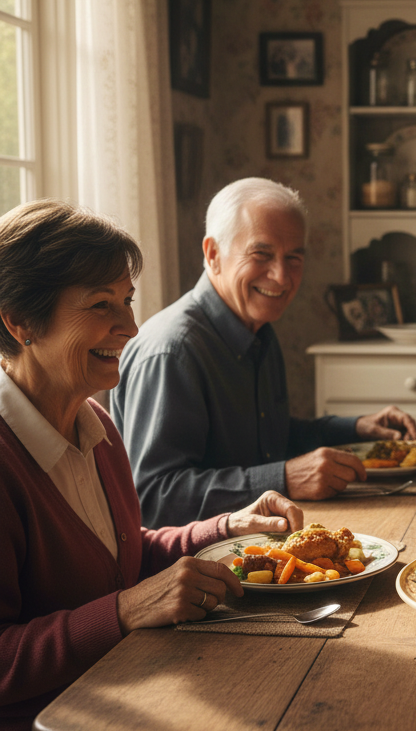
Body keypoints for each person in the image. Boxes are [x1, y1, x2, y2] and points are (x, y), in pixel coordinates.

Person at [0, 200, 304, 729]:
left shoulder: (95, 424)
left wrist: (225, 529)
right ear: (20, 321)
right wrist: (125, 610)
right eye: (101, 305)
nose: (131, 326)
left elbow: (121, 556)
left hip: (137, 683)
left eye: (127, 301)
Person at [110, 178, 416, 528]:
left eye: (294, 257)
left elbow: (268, 440)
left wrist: (356, 428)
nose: (282, 277)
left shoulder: (257, 329)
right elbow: (153, 498)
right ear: (213, 254)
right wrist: (283, 479)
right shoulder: (173, 352)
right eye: (261, 254)